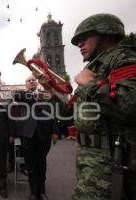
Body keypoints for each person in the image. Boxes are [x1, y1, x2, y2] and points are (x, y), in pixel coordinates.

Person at [71, 13, 136, 200]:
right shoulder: (97, 66)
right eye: (77, 42)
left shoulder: (123, 57)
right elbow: (76, 110)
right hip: (93, 161)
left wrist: (88, 84)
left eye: (84, 38)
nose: (79, 45)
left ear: (106, 34)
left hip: (111, 162)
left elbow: (129, 104)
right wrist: (50, 87)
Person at [13, 76, 56, 200]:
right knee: (31, 165)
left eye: (33, 80)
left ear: (37, 83)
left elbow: (52, 114)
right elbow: (16, 95)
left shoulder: (45, 96)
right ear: (25, 84)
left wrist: (55, 131)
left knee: (41, 165)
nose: (31, 81)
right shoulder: (23, 96)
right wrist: (31, 95)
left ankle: (42, 192)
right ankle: (33, 192)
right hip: (27, 134)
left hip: (44, 134)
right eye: (28, 81)